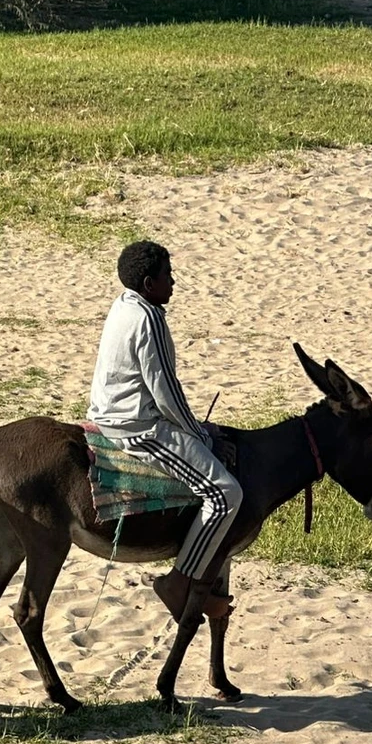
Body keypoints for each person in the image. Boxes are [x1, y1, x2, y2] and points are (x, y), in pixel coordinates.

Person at [87, 240, 241, 621]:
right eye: (167, 276)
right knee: (226, 493)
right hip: (137, 428)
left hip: (109, 413)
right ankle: (179, 580)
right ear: (149, 284)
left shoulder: (123, 305)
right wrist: (201, 436)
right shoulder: (150, 319)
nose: (173, 282)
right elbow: (166, 392)